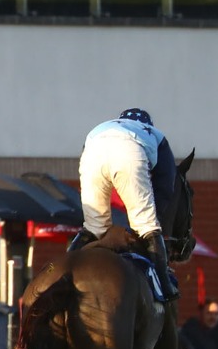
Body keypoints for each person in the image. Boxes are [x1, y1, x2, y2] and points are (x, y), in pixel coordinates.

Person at [68, 108, 179, 300]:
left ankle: (62, 273)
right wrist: (153, 219)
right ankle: (165, 284)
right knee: (147, 226)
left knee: (93, 228)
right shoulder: (156, 136)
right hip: (129, 152)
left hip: (92, 151)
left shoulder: (104, 126)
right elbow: (165, 187)